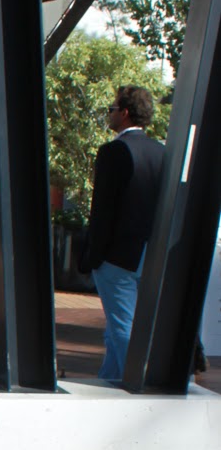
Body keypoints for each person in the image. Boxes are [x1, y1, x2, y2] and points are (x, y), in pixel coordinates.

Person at [80, 85, 166, 383]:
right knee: (119, 324)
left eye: (112, 109)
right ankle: (110, 380)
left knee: (121, 325)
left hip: (116, 255)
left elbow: (103, 209)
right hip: (149, 252)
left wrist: (92, 255)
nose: (110, 114)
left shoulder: (113, 151)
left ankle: (137, 382)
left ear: (125, 113)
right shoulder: (161, 152)